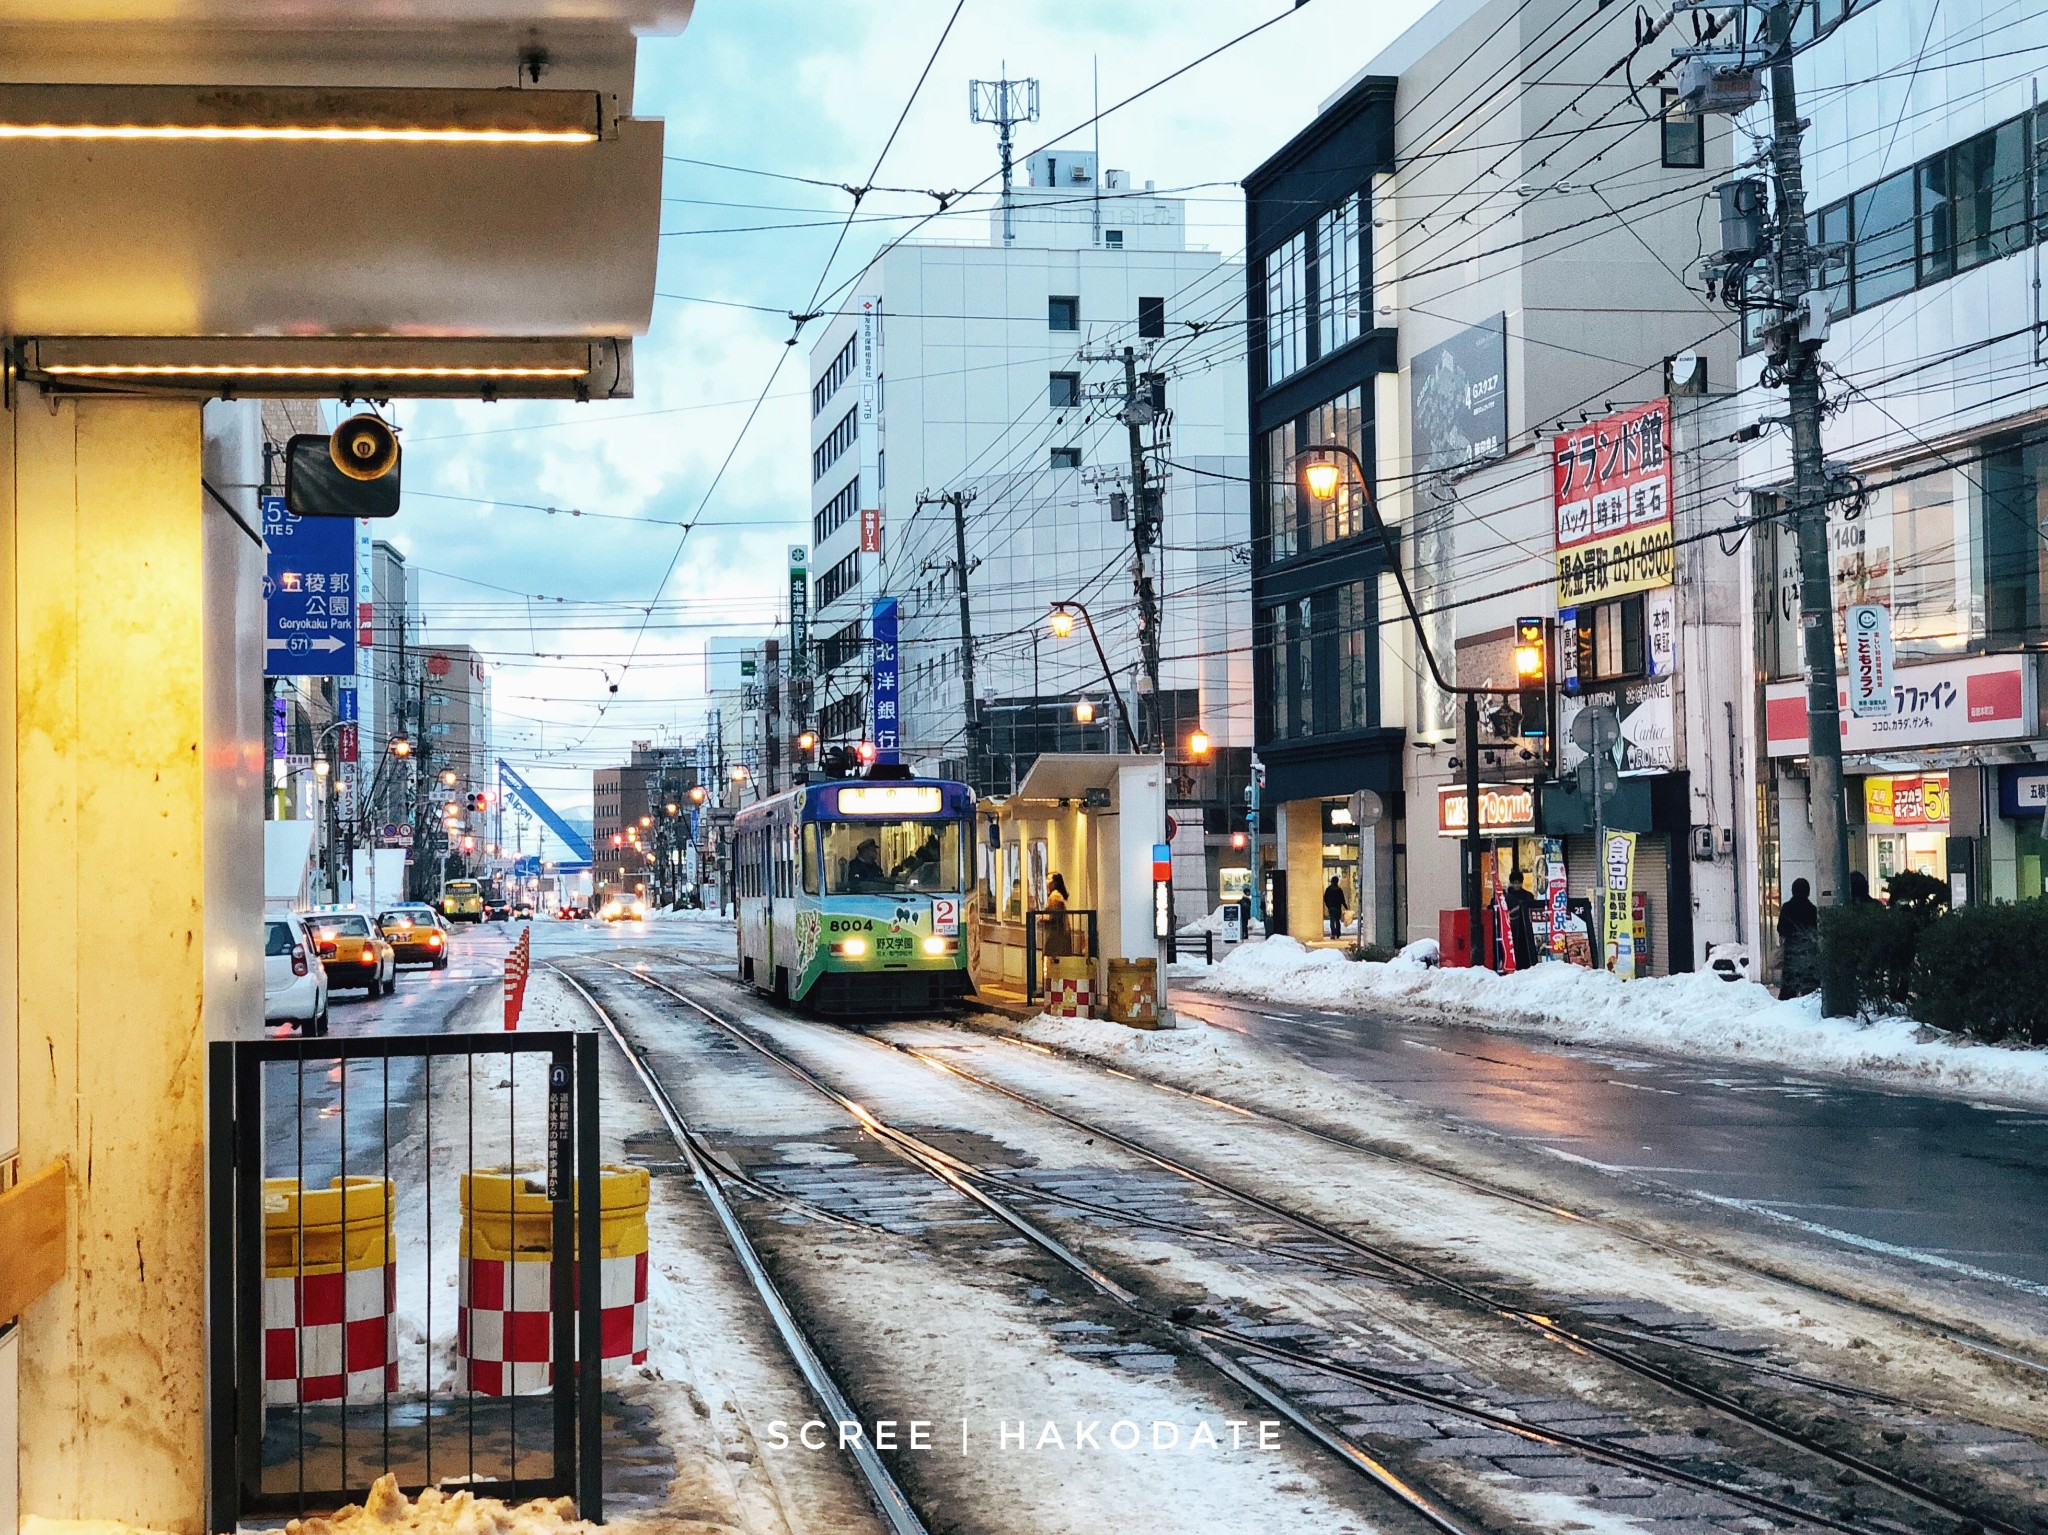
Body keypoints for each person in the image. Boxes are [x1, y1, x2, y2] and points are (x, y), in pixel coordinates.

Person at [1777, 876, 1820, 999]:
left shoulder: (1787, 908)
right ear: (1808, 891)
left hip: (1791, 951)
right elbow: (1816, 930)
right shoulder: (1812, 910)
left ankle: (1786, 1009)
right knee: (1810, 987)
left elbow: (1781, 928)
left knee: (1789, 986)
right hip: (1809, 952)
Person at [1504, 872, 1539, 971]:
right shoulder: (1507, 897)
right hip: (1512, 928)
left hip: (1526, 928)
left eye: (1518, 882)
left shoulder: (1528, 895)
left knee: (1526, 949)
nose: (1516, 885)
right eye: (1514, 883)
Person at [1042, 872, 1074, 962]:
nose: (1047, 882)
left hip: (1055, 936)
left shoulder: (1054, 896)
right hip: (1060, 934)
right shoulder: (1058, 895)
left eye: (1049, 880)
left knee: (1051, 963)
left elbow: (1054, 916)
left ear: (1055, 883)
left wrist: (1042, 918)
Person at [1323, 876, 1348, 940]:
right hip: (1337, 907)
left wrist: (1328, 905)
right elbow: (1342, 899)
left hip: (1331, 907)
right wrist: (1345, 906)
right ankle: (1338, 933)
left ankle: (1333, 933)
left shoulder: (1328, 889)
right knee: (1337, 921)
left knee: (1332, 921)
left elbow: (1325, 898)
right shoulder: (1339, 889)